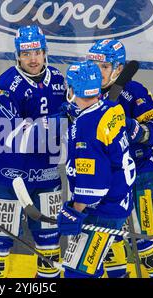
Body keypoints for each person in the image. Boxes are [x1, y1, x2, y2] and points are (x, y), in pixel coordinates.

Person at [0, 25, 67, 278]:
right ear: (18, 55)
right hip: (8, 176)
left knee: (50, 248)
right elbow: (17, 135)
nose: (32, 59)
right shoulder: (5, 85)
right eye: (26, 53)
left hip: (47, 175)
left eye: (37, 52)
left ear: (45, 52)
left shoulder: (60, 80)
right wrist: (61, 119)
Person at [87, 39, 153, 278]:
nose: (97, 72)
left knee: (146, 245)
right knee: (110, 246)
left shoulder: (134, 92)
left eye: (103, 67)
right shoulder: (84, 92)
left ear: (119, 69)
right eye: (93, 65)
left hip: (140, 172)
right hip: (107, 178)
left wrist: (138, 130)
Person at [57, 60, 136, 278]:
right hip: (120, 201)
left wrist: (75, 211)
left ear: (72, 90)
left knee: (78, 273)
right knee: (91, 268)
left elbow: (94, 184)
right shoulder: (112, 108)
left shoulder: (86, 128)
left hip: (102, 211)